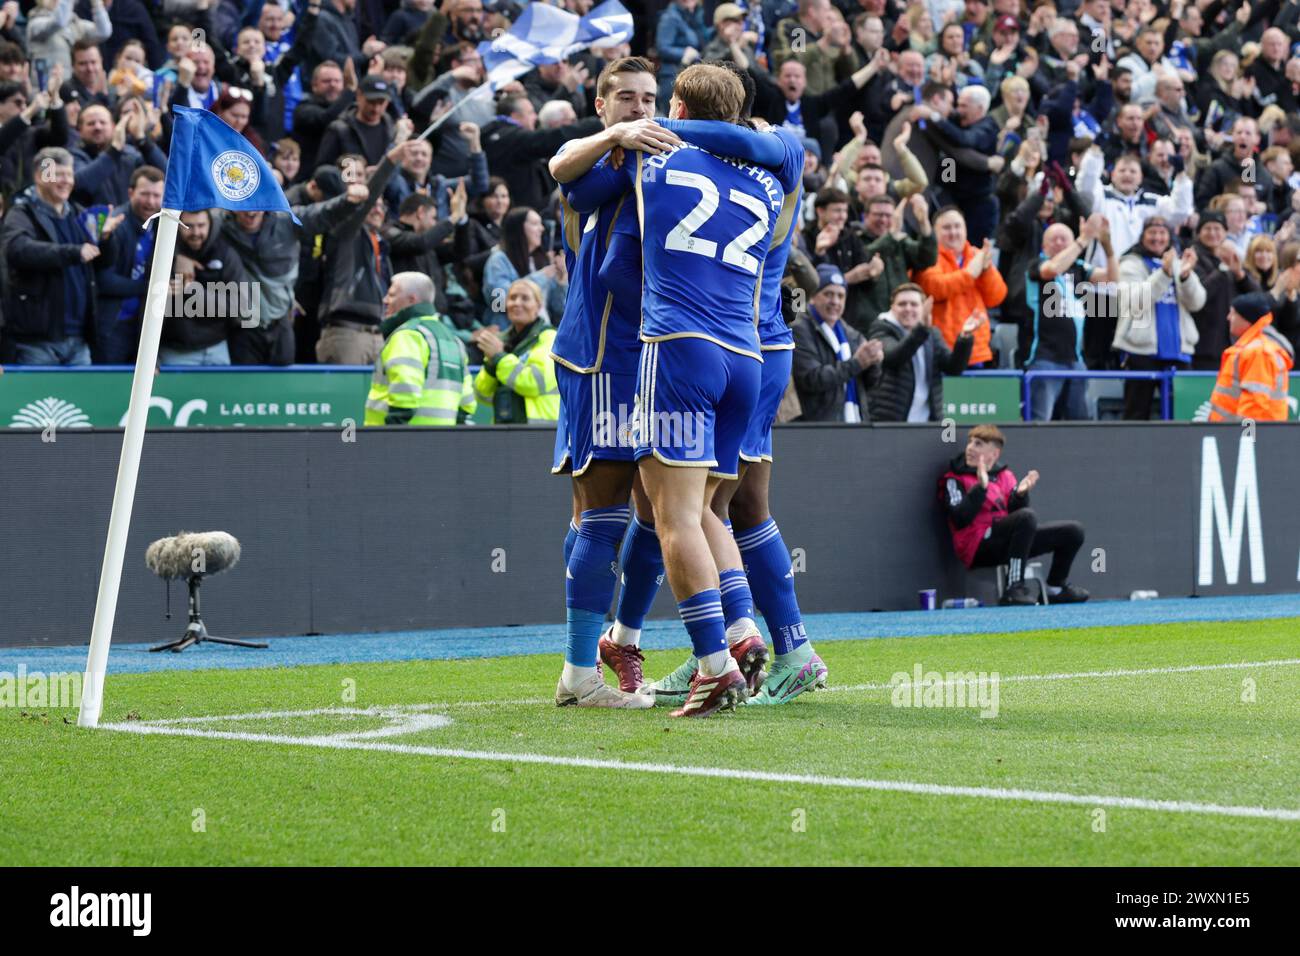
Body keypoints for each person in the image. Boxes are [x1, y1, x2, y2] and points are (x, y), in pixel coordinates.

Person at [561, 63, 796, 717]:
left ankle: (709, 664)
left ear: (679, 109)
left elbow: (570, 183)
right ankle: (738, 630)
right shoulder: (775, 175)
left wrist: (637, 131)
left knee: (666, 518)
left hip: (670, 351)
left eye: (659, 103)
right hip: (747, 359)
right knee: (709, 511)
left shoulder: (653, 160)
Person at [940, 425, 1089, 606]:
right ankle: (1014, 587)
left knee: (1073, 531)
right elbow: (958, 519)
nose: (970, 448)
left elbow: (1021, 520)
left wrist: (1020, 495)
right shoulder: (953, 478)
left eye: (978, 444)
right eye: (970, 442)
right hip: (976, 545)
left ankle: (1055, 588)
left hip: (1006, 541)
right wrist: (980, 488)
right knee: (1026, 517)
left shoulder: (1005, 475)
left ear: (994, 454)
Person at [1, 145, 116, 364]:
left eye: (69, 174)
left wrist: (107, 239)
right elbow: (18, 249)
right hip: (37, 342)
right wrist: (74, 252)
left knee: (82, 399)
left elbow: (105, 264)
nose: (66, 180)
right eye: (58, 174)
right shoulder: (21, 213)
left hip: (79, 339)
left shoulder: (80, 215)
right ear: (39, 176)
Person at [1023, 215, 1117, 420]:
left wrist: (1107, 246)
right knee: (1039, 422)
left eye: (1064, 238)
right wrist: (1083, 239)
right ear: (1043, 246)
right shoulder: (1037, 265)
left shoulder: (1080, 268)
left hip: (1075, 360)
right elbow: (1053, 269)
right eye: (1053, 239)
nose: (1059, 243)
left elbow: (1112, 279)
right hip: (1044, 358)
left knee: (1079, 423)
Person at [1114, 217, 1206, 419]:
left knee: (1182, 414)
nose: (1157, 238)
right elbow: (1135, 301)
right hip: (1140, 350)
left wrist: (1185, 276)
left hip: (1179, 351)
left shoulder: (1179, 264)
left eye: (1162, 233)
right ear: (1142, 237)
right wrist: (1164, 274)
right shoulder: (1130, 263)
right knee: (1136, 415)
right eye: (1152, 233)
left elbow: (1197, 302)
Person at [364, 271, 475, 426]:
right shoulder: (454, 340)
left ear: (411, 300)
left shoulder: (408, 335)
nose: (385, 300)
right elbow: (467, 402)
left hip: (402, 442)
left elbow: (404, 391)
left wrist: (389, 434)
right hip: (442, 442)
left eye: (391, 295)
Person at [867, 281, 976, 422]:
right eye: (902, 304)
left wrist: (964, 338)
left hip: (927, 419)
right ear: (892, 307)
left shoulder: (932, 333)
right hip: (890, 420)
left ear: (923, 308)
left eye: (914, 304)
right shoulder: (881, 328)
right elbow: (894, 358)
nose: (908, 309)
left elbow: (953, 368)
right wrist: (921, 329)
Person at [915, 205, 1006, 366]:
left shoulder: (977, 255)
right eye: (946, 228)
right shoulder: (928, 257)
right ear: (935, 232)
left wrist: (985, 272)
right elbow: (935, 288)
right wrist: (970, 274)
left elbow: (996, 297)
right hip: (942, 350)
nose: (953, 232)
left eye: (958, 226)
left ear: (965, 229)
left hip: (976, 349)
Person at [791, 264, 884, 421]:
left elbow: (869, 384)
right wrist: (858, 363)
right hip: (816, 427)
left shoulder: (852, 334)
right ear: (813, 297)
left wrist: (874, 363)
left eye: (840, 296)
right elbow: (811, 379)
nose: (835, 301)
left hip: (854, 420)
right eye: (828, 294)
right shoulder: (800, 328)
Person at [160, 207, 247, 365]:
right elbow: (145, 306)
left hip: (217, 349)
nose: (195, 232)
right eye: (188, 226)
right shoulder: (162, 254)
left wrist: (192, 291)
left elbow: (240, 305)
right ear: (177, 226)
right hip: (175, 353)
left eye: (201, 225)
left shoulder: (225, 254)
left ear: (210, 225)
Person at [93, 163, 161, 364]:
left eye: (157, 195)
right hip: (113, 325)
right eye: (144, 194)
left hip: (144, 326)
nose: (150, 201)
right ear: (131, 192)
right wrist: (151, 288)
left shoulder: (160, 225)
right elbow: (104, 280)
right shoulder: (116, 224)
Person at [471, 278, 559, 424]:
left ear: (538, 306)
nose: (517, 303)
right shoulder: (500, 342)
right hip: (505, 432)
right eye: (512, 298)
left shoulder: (550, 338)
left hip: (541, 433)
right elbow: (482, 394)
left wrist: (499, 358)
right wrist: (492, 363)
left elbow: (535, 383)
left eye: (525, 298)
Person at [1208, 292, 1295, 423]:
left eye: (1233, 313)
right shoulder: (1253, 348)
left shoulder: (1258, 352)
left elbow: (1255, 407)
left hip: (1249, 438)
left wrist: (1248, 440)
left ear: (1245, 319)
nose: (1228, 317)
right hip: (1232, 435)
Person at [480, 206, 566, 326]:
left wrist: (561, 282)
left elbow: (559, 311)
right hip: (510, 337)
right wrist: (541, 277)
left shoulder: (541, 261)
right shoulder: (498, 261)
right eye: (535, 224)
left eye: (541, 224)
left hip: (542, 335)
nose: (541, 229)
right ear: (518, 228)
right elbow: (498, 304)